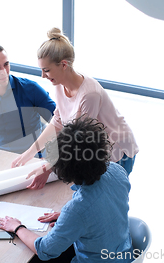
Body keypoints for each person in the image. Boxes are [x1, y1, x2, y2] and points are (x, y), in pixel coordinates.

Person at [12, 27, 139, 189]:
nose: (43, 76)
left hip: (117, 151)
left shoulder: (89, 94)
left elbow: (79, 140)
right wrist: (29, 153)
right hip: (90, 148)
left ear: (63, 64)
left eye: (46, 70)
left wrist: (47, 167)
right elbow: (57, 122)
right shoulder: (59, 84)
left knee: (105, 197)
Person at [0, 116, 134, 263]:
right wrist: (72, 220)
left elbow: (44, 250)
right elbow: (109, 205)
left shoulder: (77, 210)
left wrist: (17, 227)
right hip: (124, 254)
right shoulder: (117, 171)